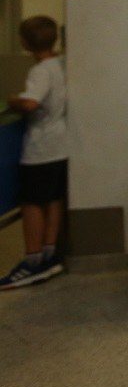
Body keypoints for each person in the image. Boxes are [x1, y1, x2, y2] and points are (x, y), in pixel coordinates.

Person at [0, 16, 68, 290]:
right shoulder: (61, 64)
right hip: (60, 145)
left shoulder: (40, 71)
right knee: (53, 199)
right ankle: (49, 255)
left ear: (25, 42)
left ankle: (32, 260)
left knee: (32, 203)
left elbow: (30, 103)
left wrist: (12, 100)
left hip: (40, 148)